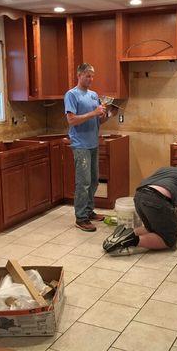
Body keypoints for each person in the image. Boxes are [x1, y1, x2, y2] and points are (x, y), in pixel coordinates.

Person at [103, 166, 177, 255]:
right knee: (168, 240)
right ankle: (129, 241)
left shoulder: (165, 169)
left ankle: (120, 236)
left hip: (139, 195)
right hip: (157, 199)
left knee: (151, 228)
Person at [64, 63, 116, 232]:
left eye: (92, 76)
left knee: (94, 181)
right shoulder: (72, 95)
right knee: (83, 182)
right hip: (80, 145)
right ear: (79, 75)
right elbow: (71, 120)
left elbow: (97, 120)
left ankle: (89, 211)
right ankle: (81, 218)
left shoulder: (94, 95)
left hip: (93, 143)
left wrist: (107, 115)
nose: (91, 79)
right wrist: (93, 113)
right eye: (88, 76)